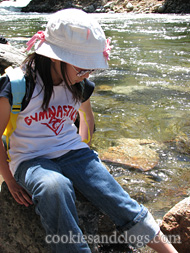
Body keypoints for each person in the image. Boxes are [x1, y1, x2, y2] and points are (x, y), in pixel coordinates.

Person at [0, 8, 178, 253]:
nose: (86, 74)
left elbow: (87, 119)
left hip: (72, 153)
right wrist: (9, 179)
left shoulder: (79, 84)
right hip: (30, 159)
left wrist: (85, 155)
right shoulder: (19, 85)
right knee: (54, 187)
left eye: (91, 69)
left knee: (115, 196)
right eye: (82, 68)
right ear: (54, 57)